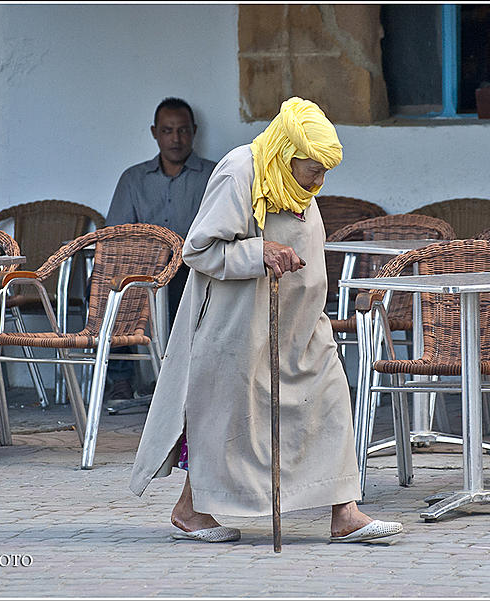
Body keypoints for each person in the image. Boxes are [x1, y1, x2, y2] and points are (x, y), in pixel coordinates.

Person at [129, 97, 403, 544]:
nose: (320, 180)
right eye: (313, 168)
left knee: (330, 400)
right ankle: (190, 509)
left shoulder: (299, 186)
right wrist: (259, 252)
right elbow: (198, 249)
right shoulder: (242, 172)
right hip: (240, 323)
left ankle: (345, 513)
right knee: (229, 417)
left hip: (301, 321)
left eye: (324, 170)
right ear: (286, 152)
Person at [105, 97, 216, 400]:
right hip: (141, 269)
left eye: (182, 130)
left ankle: (179, 380)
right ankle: (121, 378)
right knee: (107, 283)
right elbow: (116, 235)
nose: (176, 139)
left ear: (193, 131)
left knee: (181, 283)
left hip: (191, 267)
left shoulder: (213, 175)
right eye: (168, 131)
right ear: (155, 132)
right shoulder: (133, 178)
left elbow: (223, 229)